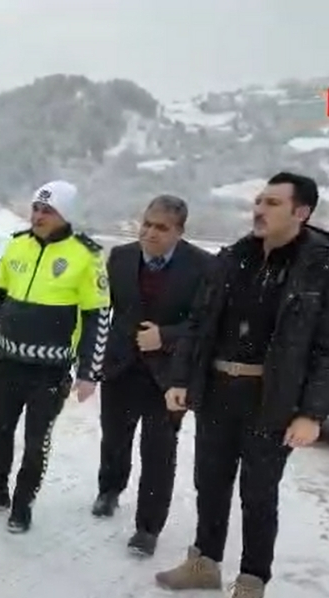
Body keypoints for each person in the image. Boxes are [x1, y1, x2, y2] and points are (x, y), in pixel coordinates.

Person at [156, 172, 329, 598]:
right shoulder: (235, 258)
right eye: (258, 200)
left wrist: (312, 414)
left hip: (272, 400)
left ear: (301, 212)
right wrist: (181, 378)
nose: (259, 209)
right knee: (210, 482)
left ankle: (251, 584)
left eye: (272, 202)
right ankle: (204, 562)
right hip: (218, 390)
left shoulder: (324, 269)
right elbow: (200, 324)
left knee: (258, 495)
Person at [0, 181, 111, 533]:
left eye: (47, 210)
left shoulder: (86, 256)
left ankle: (23, 502)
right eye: (36, 208)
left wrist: (89, 371)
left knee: (37, 440)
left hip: (50, 370)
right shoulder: (17, 246)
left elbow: (98, 316)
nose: (38, 216)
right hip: (10, 361)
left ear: (65, 215)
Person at [92, 195, 213, 557]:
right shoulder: (121, 257)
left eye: (162, 227)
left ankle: (148, 527)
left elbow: (204, 323)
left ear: (180, 231)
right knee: (114, 436)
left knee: (159, 451)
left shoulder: (203, 267)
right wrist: (94, 359)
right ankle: (110, 489)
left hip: (169, 377)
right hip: (120, 367)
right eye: (147, 223)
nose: (150, 232)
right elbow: (102, 310)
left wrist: (166, 336)